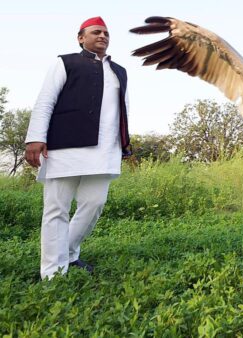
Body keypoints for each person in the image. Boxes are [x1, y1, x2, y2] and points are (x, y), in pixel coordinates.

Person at [24, 16, 131, 280]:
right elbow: (45, 100)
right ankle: (52, 272)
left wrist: (125, 144)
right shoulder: (65, 62)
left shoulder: (120, 71)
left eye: (106, 33)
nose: (103, 36)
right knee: (56, 208)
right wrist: (35, 137)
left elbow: (124, 111)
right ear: (81, 37)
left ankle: (69, 254)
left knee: (95, 203)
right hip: (64, 146)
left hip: (105, 149)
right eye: (96, 32)